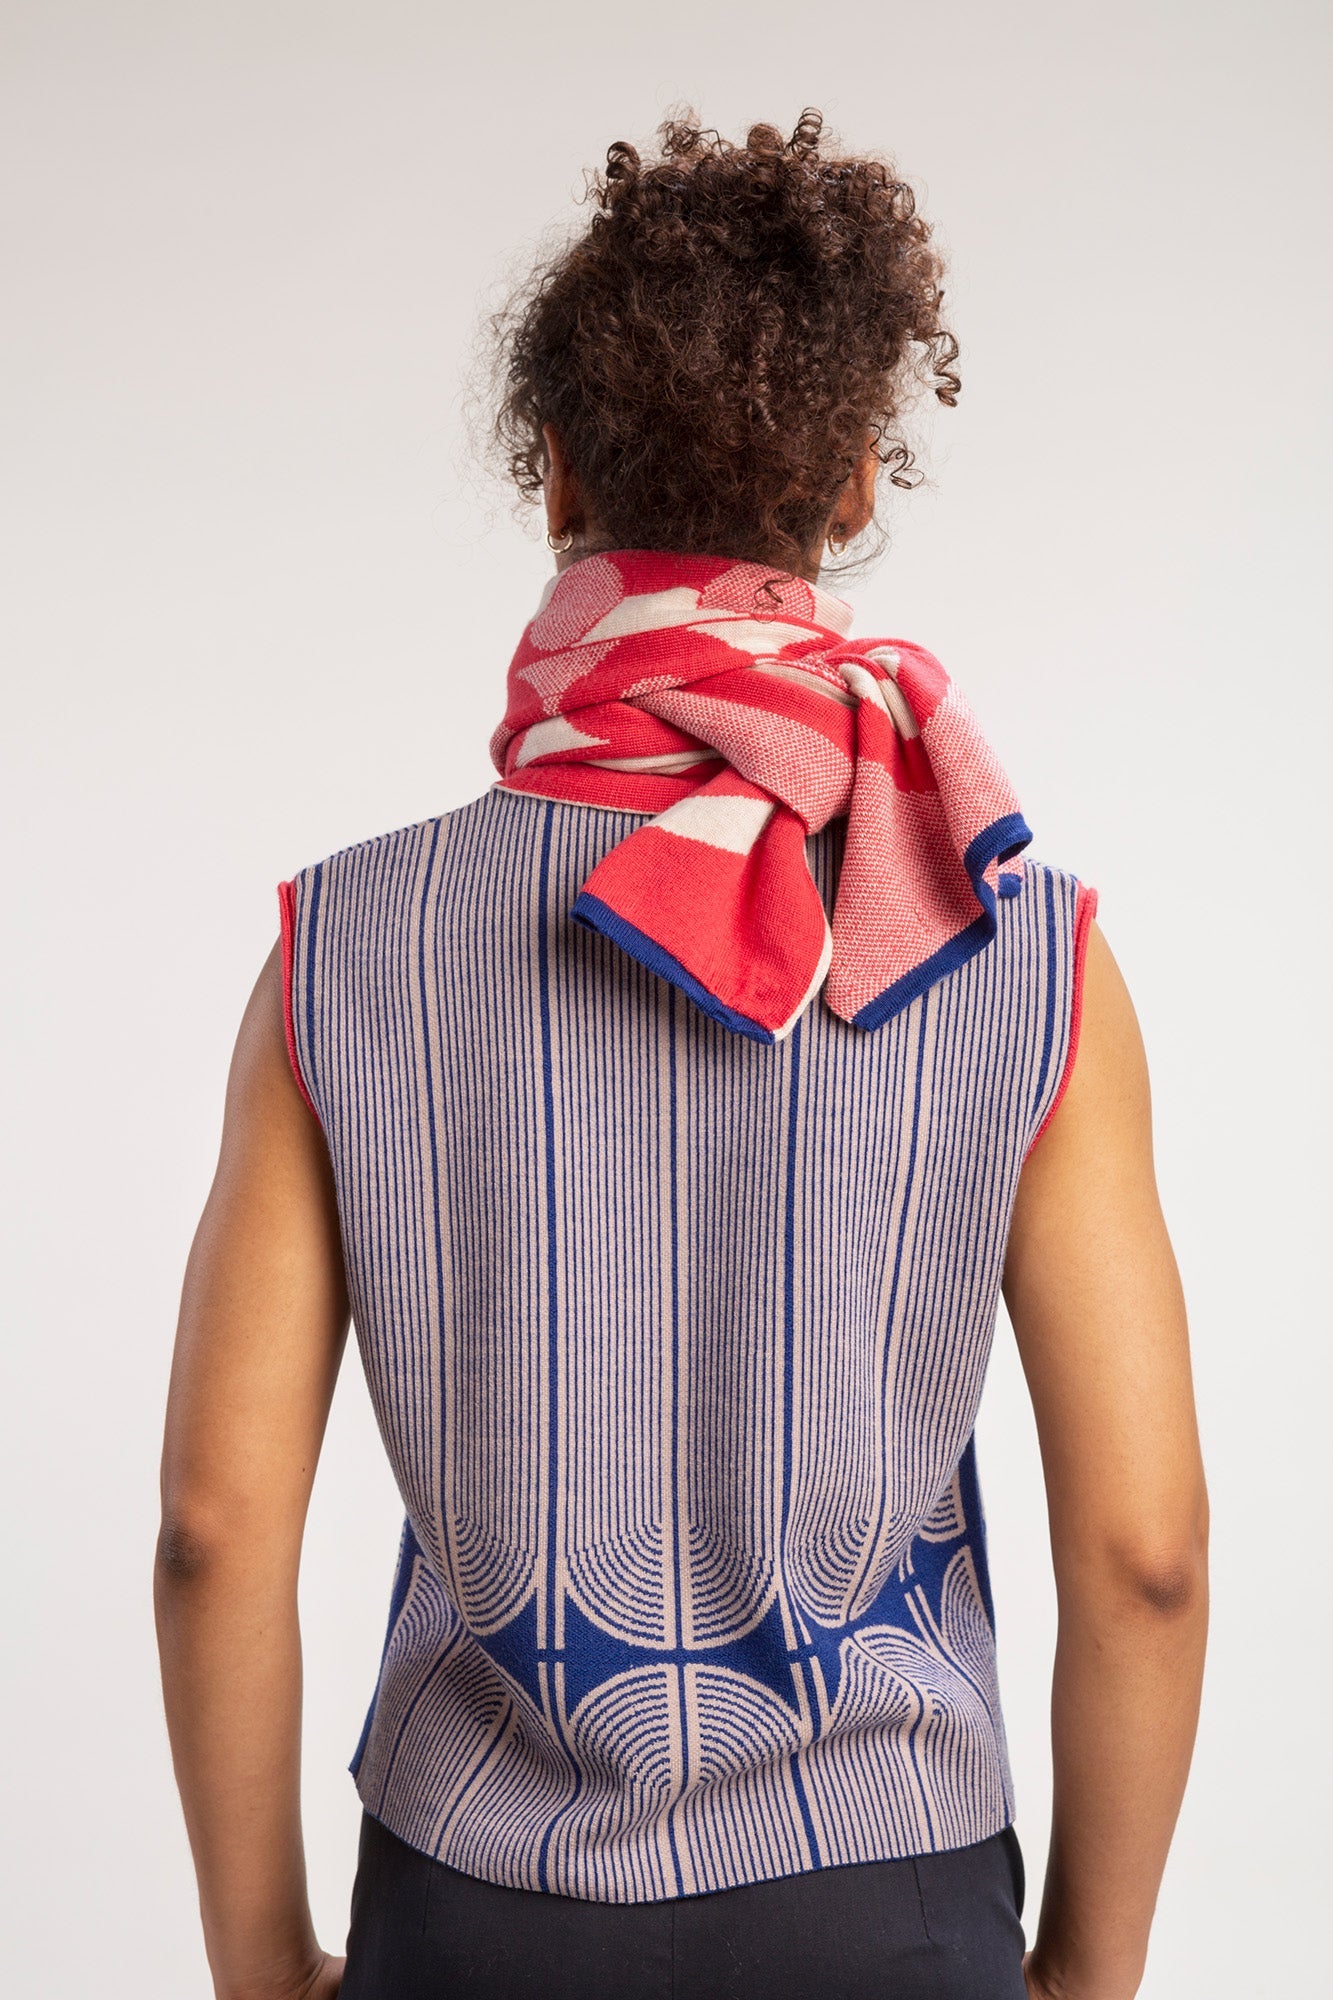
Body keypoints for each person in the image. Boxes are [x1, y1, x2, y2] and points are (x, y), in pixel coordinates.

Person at [155, 111, 1208, 2000]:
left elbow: (213, 1535)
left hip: (476, 1913)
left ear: (556, 471)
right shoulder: (1020, 949)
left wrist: (263, 1972)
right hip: (889, 1904)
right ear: (856, 479)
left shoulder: (346, 945)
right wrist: (1085, 1979)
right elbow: (1143, 1553)